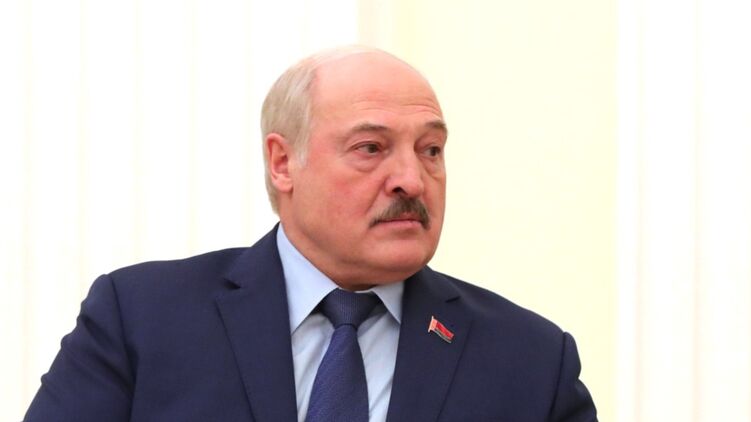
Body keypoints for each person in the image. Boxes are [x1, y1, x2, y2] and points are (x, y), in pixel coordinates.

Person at [24, 46, 597, 421]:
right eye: (371, 148)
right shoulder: (141, 319)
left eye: (431, 150)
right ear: (283, 163)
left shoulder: (531, 359)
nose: (411, 178)